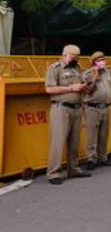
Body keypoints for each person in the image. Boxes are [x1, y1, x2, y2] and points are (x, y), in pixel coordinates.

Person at [45, 44, 91, 185]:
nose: (75, 59)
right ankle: (53, 173)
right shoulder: (54, 69)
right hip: (61, 109)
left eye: (77, 57)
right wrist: (71, 88)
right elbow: (49, 89)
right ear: (64, 55)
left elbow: (83, 84)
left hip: (77, 108)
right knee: (58, 142)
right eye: (73, 57)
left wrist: (85, 85)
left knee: (74, 141)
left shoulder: (77, 69)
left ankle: (73, 169)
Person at [82, 51, 111, 170]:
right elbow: (88, 90)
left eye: (103, 59)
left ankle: (103, 158)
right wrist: (96, 75)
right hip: (93, 107)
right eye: (99, 60)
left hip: (106, 107)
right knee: (91, 135)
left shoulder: (109, 71)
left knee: (104, 134)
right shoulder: (88, 73)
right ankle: (91, 159)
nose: (102, 62)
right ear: (94, 62)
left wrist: (110, 90)